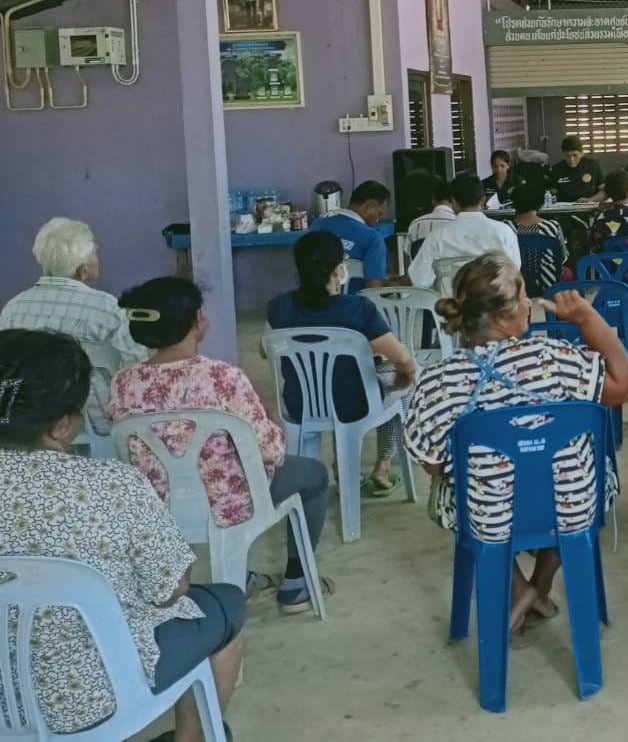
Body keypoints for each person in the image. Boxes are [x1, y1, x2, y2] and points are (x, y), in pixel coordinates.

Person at [0, 329, 246, 741]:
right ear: (62, 425)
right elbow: (169, 590)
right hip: (91, 697)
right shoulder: (112, 484)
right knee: (226, 607)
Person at [404, 254, 628, 634]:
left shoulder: (437, 382)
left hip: (488, 518)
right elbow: (624, 387)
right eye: (523, 294)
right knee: (589, 476)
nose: (530, 302)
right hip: (571, 508)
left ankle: (520, 590)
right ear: (500, 318)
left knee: (455, 487)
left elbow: (430, 462)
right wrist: (588, 319)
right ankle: (538, 586)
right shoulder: (555, 359)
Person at [109, 277, 331, 613]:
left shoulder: (123, 383)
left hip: (156, 502)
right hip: (228, 503)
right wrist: (273, 420)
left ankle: (243, 577)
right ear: (196, 321)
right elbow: (273, 452)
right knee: (313, 475)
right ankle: (296, 586)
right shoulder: (224, 378)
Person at [267, 231, 417, 497]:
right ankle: (382, 467)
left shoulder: (279, 307)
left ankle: (340, 467)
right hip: (354, 406)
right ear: (339, 269)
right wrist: (406, 374)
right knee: (401, 383)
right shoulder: (358, 309)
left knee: (381, 376)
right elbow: (402, 359)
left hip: (299, 404)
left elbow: (264, 349)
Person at [0, 216, 147, 434]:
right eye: (95, 253)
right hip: (98, 424)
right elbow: (137, 362)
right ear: (82, 269)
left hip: (29, 422)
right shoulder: (107, 307)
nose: (98, 259)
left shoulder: (13, 307)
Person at [409, 172, 522, 292]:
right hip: (493, 306)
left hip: (453, 307)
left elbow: (419, 280)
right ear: (483, 200)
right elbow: (513, 272)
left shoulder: (438, 235)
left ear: (453, 202)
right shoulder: (503, 232)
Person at [310, 179, 395, 291]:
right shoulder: (373, 238)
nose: (377, 220)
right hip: (352, 305)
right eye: (379, 213)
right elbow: (374, 289)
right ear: (370, 206)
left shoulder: (317, 225)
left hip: (314, 303)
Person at [503, 179, 568, 296]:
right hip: (549, 287)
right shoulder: (553, 226)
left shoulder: (505, 228)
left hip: (515, 288)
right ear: (540, 202)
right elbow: (562, 257)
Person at [548, 135, 604, 203]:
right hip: (564, 209)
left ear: (581, 153)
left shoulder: (593, 166)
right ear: (563, 154)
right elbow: (550, 193)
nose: (571, 159)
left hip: (589, 208)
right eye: (567, 156)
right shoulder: (556, 169)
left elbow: (604, 191)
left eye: (575, 155)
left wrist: (591, 200)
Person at [406, 179, 456, 254]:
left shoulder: (415, 224)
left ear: (433, 200)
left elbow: (408, 255)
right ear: (455, 200)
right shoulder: (460, 222)